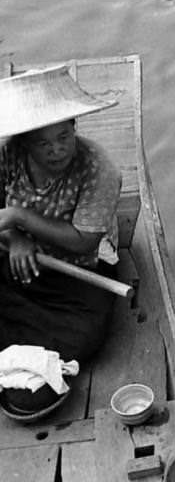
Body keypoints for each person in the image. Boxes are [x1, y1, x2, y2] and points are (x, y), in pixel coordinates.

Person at [0, 65, 121, 423]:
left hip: (78, 271)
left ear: (74, 129)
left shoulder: (99, 169)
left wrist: (20, 219)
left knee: (86, 337)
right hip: (19, 257)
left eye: (64, 137)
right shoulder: (8, 156)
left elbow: (84, 242)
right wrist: (17, 238)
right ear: (25, 142)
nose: (56, 150)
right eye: (43, 142)